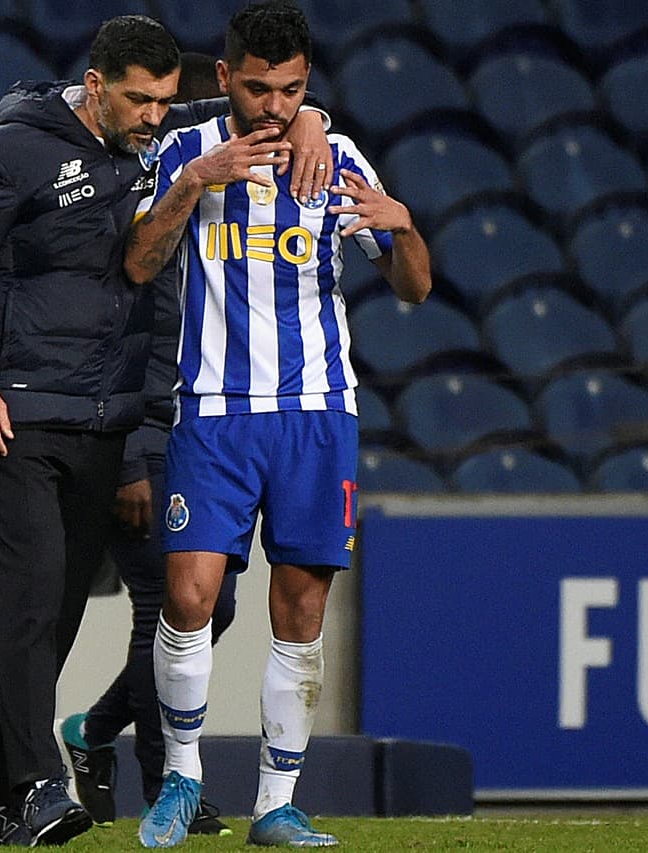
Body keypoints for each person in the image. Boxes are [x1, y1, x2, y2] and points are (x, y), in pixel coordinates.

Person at [0, 14, 334, 849]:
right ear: (96, 86)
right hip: (20, 410)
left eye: (165, 102)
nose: (153, 117)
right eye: (138, 101)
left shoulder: (163, 131)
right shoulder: (8, 150)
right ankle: (36, 786)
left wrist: (313, 118)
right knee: (33, 599)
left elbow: (260, 107)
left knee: (60, 611)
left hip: (107, 417)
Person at [122, 1, 432, 847]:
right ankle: (181, 778)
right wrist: (195, 182)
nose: (275, 107)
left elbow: (414, 288)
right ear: (224, 78)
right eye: (258, 89)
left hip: (317, 413)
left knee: (300, 609)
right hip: (212, 412)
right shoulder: (184, 151)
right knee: (187, 596)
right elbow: (140, 263)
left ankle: (275, 804)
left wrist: (403, 226)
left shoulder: (335, 158)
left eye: (292, 91)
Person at [58, 53, 240, 838]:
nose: (163, 119)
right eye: (158, 106)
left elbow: (304, 105)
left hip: (207, 433)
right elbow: (112, 333)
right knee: (167, 604)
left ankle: (96, 729)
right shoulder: (125, 194)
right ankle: (168, 778)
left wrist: (314, 122)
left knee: (212, 604)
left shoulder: (221, 204)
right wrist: (129, 455)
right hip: (142, 432)